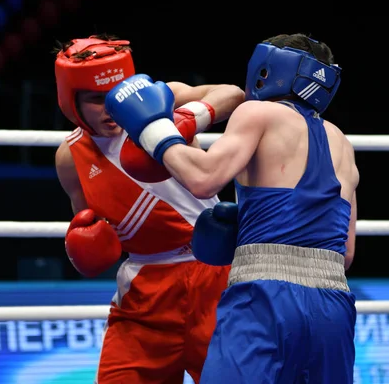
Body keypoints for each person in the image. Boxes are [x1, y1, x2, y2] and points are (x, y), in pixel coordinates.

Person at [105, 33, 359, 383]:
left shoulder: (257, 112)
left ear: (267, 69)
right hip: (334, 304)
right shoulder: (342, 142)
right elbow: (345, 253)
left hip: (266, 297)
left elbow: (204, 177)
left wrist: (152, 130)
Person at [53, 34, 245, 383]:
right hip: (146, 293)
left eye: (114, 94)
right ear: (71, 101)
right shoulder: (70, 157)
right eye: (96, 99)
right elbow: (92, 226)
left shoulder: (160, 100)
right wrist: (89, 244)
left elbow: (233, 94)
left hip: (214, 274)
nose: (109, 108)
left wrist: (185, 120)